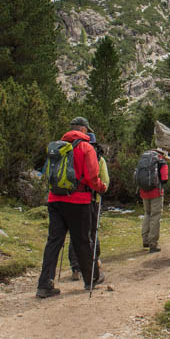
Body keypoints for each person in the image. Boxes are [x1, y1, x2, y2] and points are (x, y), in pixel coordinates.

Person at [36, 117, 107, 298]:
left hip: (55, 200)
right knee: (82, 241)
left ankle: (45, 284)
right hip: (78, 201)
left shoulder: (56, 146)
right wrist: (101, 187)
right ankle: (91, 279)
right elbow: (92, 176)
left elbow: (46, 173)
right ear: (83, 130)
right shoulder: (86, 147)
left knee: (54, 241)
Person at [68, 132, 108, 281]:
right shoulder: (98, 158)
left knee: (75, 234)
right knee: (91, 233)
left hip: (71, 199)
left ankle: (75, 268)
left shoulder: (69, 153)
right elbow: (104, 180)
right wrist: (102, 188)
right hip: (92, 199)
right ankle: (94, 267)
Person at [138, 149, 168, 253]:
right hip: (156, 192)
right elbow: (164, 179)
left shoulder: (144, 158)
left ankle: (145, 239)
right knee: (155, 216)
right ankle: (153, 243)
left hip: (143, 191)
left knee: (147, 213)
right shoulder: (161, 161)